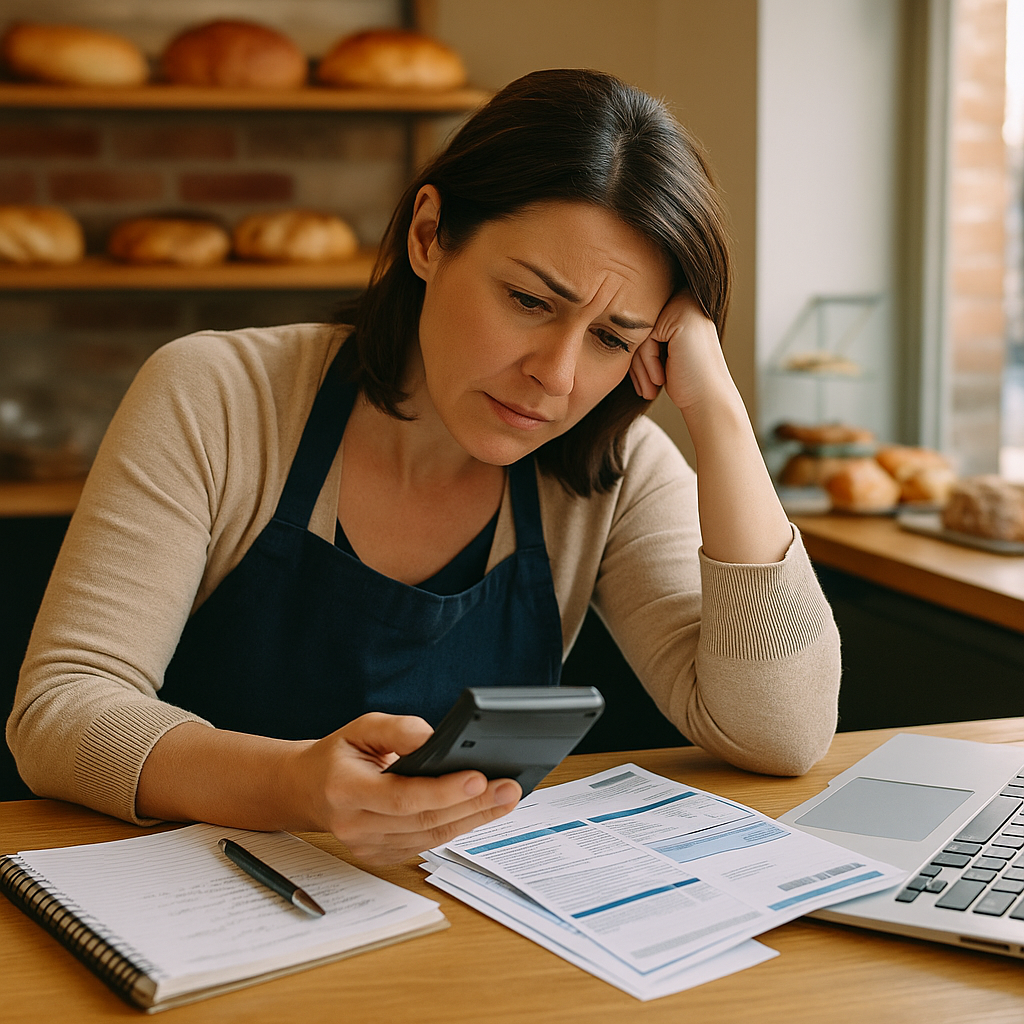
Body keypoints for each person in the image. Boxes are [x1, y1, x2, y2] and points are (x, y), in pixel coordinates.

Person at [7, 69, 840, 865]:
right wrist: (293, 787)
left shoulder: (613, 472)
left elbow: (782, 735)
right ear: (429, 235)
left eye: (612, 338)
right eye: (528, 300)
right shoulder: (219, 396)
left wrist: (720, 416)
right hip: (196, 915)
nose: (555, 374)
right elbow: (61, 712)